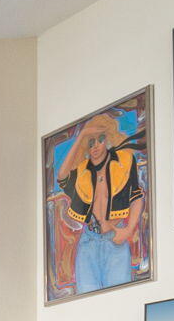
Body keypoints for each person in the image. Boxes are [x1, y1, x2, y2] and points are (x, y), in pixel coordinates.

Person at [53, 112, 145, 295]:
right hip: (88, 242)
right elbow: (62, 176)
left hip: (115, 240)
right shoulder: (81, 172)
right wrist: (81, 136)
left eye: (100, 139)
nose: (95, 146)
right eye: (90, 142)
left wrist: (128, 230)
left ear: (108, 139)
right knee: (86, 301)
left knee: (120, 298)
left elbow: (136, 197)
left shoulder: (124, 162)